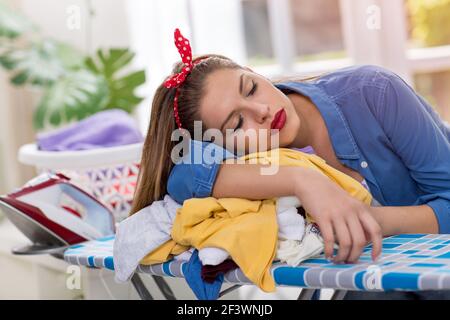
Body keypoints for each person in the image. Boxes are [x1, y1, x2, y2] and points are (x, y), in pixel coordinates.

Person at [131, 29, 450, 299]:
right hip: (383, 278)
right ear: (216, 147)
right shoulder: (247, 160)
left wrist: (366, 221)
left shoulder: (374, 92)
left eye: (251, 88)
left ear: (256, 72)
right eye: (238, 123)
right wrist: (302, 180)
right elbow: (181, 176)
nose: (262, 112)